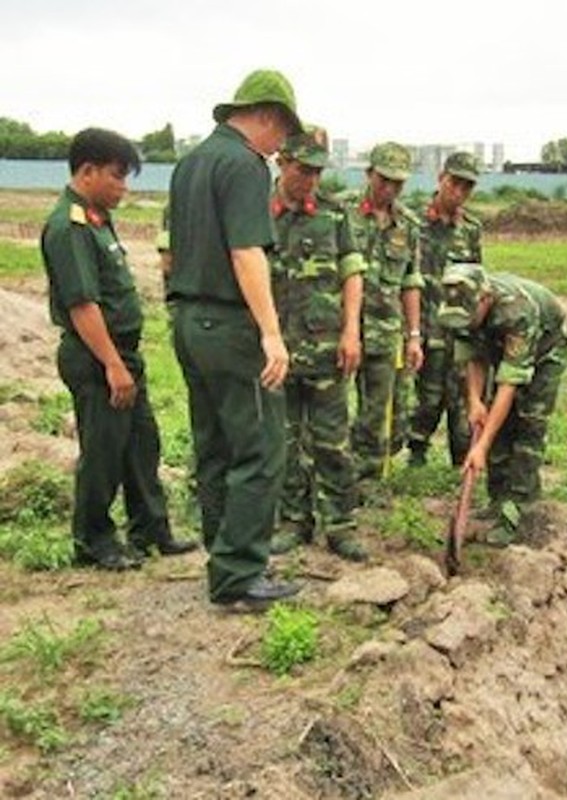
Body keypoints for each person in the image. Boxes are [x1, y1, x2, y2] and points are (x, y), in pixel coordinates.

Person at [167, 69, 303, 607]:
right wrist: (271, 334)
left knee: (216, 445)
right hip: (228, 326)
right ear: (267, 116)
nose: (280, 148)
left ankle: (224, 554)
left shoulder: (191, 162)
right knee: (262, 447)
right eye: (282, 134)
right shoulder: (245, 166)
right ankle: (240, 574)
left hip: (188, 320)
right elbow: (246, 253)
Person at [40, 128, 196, 571]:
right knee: (104, 451)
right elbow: (83, 305)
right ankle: (93, 539)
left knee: (141, 444)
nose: (124, 187)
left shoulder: (96, 218)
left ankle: (151, 529)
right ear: (87, 172)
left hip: (122, 355)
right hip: (97, 358)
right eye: (117, 176)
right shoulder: (69, 226)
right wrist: (112, 364)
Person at [265, 126, 368, 561]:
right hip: (278, 350)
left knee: (332, 440)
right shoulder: (255, 210)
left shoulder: (334, 213)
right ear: (282, 162)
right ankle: (294, 520)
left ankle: (341, 524)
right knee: (285, 441)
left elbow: (352, 272)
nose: (311, 180)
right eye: (303, 170)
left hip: (326, 348)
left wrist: (350, 331)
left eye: (317, 172)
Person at [434, 263, 567, 544]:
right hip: (498, 344)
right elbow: (473, 356)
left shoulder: (517, 312)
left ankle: (519, 508)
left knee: (528, 422)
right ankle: (497, 500)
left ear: (485, 300)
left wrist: (480, 447)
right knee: (496, 422)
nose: (465, 322)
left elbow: (509, 384)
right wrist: (474, 401)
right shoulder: (460, 307)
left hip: (546, 351)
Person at [403, 151, 483, 468]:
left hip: (459, 331)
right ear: (441, 178)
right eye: (455, 183)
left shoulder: (471, 229)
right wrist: (411, 332)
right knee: (427, 400)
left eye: (467, 187)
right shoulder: (414, 222)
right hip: (424, 327)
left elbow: (476, 279)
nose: (459, 192)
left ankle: (460, 460)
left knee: (462, 400)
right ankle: (417, 453)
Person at [347, 141, 420, 483]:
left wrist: (414, 335)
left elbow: (411, 282)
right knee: (327, 408)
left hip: (383, 332)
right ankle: (324, 477)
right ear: (369, 173)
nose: (389, 189)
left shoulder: (408, 225)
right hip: (339, 329)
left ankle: (369, 480)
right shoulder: (341, 212)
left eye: (398, 183)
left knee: (378, 411)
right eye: (383, 180)